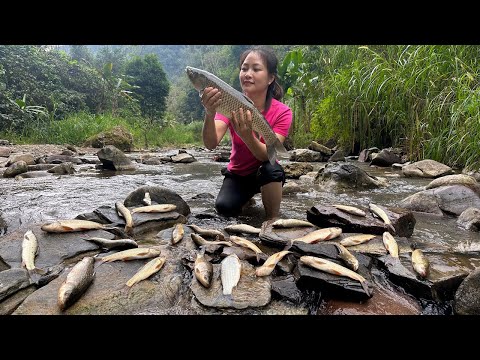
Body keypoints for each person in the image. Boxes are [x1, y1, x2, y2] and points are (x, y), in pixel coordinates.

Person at [200, 45, 293, 220]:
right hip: (238, 173)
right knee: (224, 208)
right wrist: (210, 112)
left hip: (264, 170)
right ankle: (246, 198)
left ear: (270, 78)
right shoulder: (229, 103)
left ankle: (272, 221)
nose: (247, 74)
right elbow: (210, 144)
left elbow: (268, 155)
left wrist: (247, 136)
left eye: (256, 69)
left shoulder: (283, 112)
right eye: (244, 68)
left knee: (272, 169)